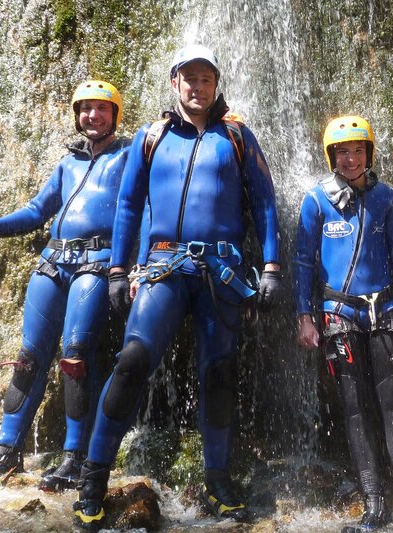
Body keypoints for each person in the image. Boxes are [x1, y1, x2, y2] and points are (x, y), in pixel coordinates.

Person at [72, 45, 284, 530]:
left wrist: (272, 266)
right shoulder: (153, 137)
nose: (197, 87)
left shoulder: (236, 136)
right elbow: (129, 205)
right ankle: (92, 480)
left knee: (219, 374)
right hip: (163, 268)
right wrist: (118, 271)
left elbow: (265, 203)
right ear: (175, 83)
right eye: (189, 78)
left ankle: (218, 480)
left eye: (206, 79)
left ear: (216, 85)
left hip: (220, 271)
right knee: (131, 363)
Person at [0, 80, 130, 492]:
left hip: (97, 262)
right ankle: (5, 449)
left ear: (115, 115)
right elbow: (38, 210)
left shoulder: (128, 155)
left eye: (101, 108)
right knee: (29, 356)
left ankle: (75, 457)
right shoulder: (68, 163)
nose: (92, 115)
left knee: (75, 356)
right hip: (53, 262)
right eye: (85, 108)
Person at [294, 115, 393, 532]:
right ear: (331, 156)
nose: (350, 159)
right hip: (339, 314)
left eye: (357, 150)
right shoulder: (316, 201)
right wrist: (304, 316)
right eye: (342, 152)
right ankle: (373, 504)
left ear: (369, 153)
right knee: (354, 409)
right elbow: (303, 263)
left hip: (384, 310)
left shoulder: (386, 198)